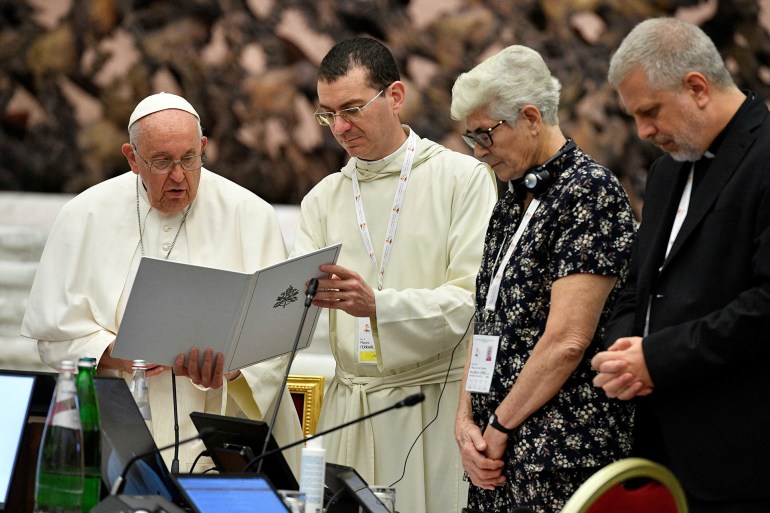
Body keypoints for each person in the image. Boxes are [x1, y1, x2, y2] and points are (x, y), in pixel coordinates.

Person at [21, 92, 303, 474]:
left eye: (189, 158)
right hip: (119, 427)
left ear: (203, 147)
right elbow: (52, 337)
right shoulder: (83, 215)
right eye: (162, 161)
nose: (178, 175)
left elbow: (281, 333)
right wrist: (117, 353)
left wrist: (235, 368)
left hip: (224, 437)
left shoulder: (250, 214)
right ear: (132, 158)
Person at [290, 37, 497, 513]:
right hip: (351, 411)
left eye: (353, 109)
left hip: (430, 408)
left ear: (396, 97)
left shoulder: (462, 181)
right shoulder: (322, 199)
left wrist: (379, 306)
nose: (339, 128)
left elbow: (473, 303)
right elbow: (297, 316)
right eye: (327, 115)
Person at [591, 17, 770, 513]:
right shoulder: (667, 171)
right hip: (659, 449)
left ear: (697, 87)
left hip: (745, 461)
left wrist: (657, 358)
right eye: (633, 116)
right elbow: (636, 287)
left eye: (650, 112)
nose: (644, 132)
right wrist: (621, 353)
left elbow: (764, 304)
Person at [450, 45, 635, 512]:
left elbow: (568, 340)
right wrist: (464, 417)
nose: (479, 153)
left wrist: (499, 427)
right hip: (497, 450)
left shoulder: (589, 192)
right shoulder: (512, 196)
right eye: (470, 139)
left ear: (530, 117)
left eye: (485, 136)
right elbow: (487, 315)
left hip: (558, 452)